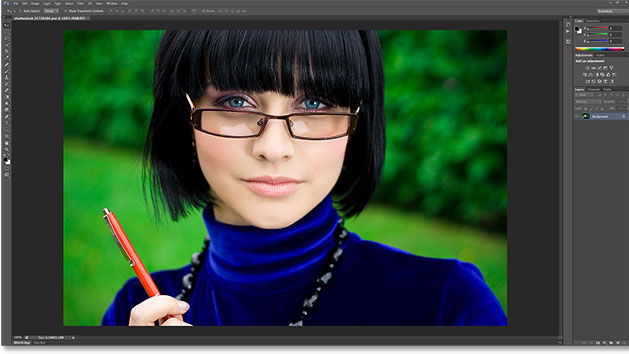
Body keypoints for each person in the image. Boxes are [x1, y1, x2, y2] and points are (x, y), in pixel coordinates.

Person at [102, 29, 506, 326]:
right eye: (236, 102)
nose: (273, 147)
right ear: (185, 118)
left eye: (315, 103)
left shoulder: (446, 305)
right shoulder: (136, 313)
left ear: (357, 126)